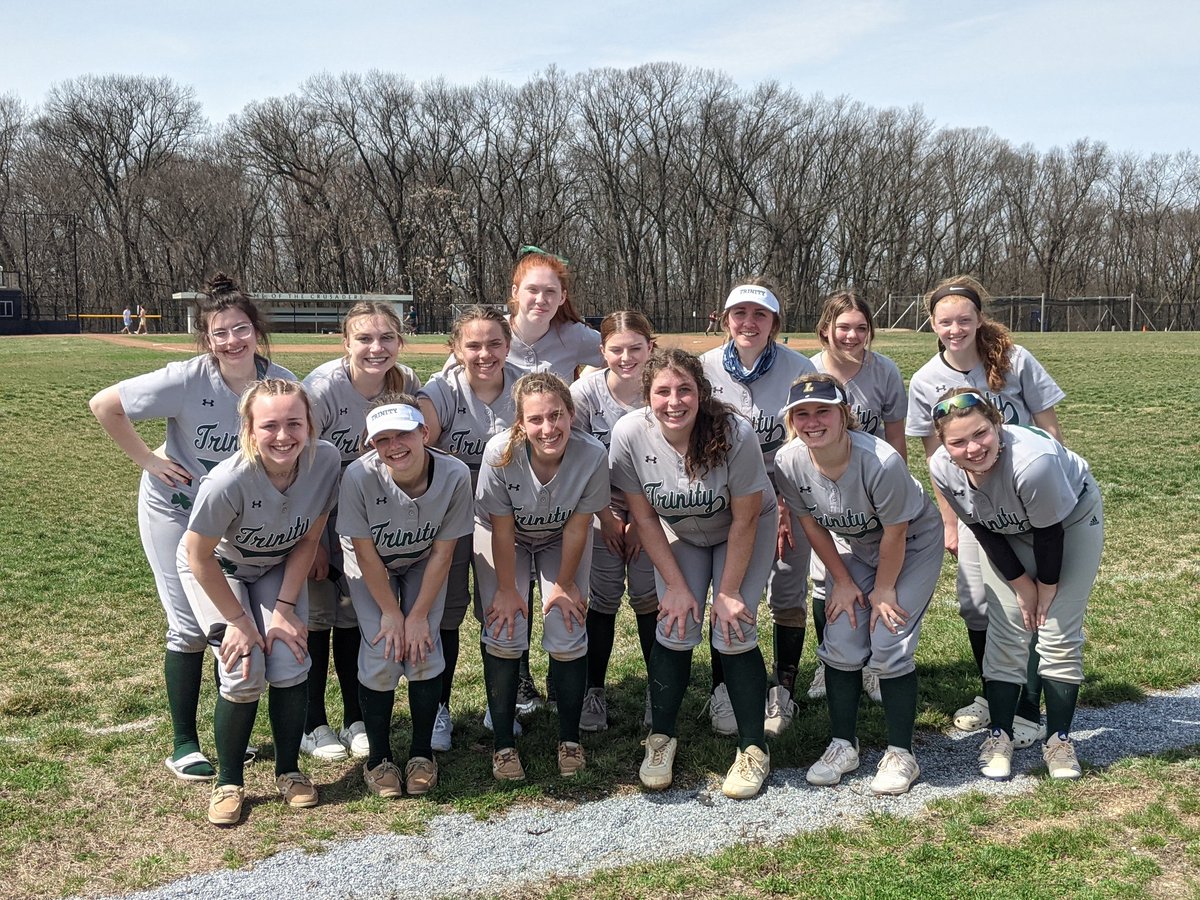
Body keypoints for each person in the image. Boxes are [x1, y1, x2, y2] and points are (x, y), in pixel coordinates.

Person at [90, 273, 293, 784]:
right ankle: (184, 743)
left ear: (256, 330)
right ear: (206, 339)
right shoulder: (186, 378)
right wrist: (149, 461)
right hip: (176, 511)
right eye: (219, 333)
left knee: (239, 623)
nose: (232, 341)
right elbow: (104, 405)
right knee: (187, 626)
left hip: (238, 522)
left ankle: (237, 737)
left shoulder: (279, 383)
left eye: (241, 329)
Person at [610, 349, 776, 799]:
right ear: (647, 397)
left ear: (701, 393)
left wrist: (727, 591)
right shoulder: (629, 434)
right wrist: (679, 588)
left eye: (684, 389)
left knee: (733, 626)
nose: (674, 401)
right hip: (681, 531)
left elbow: (744, 520)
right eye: (662, 391)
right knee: (675, 622)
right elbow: (642, 518)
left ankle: (753, 747)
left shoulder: (733, 430)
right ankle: (661, 738)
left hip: (744, 529)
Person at [907, 275, 1065, 746]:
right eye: (945, 321)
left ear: (979, 320)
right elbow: (936, 460)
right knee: (977, 604)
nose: (955, 329)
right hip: (977, 509)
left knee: (1029, 604)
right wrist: (951, 521)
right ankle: (996, 689)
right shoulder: (924, 381)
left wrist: (1047, 489)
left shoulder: (1014, 361)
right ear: (932, 324)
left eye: (964, 320)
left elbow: (1050, 431)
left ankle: (1027, 707)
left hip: (1027, 501)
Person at [177, 379, 341, 825]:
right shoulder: (228, 479)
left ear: (310, 425)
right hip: (219, 568)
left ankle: (288, 770)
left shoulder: (325, 461)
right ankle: (229, 780)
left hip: (276, 565)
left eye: (294, 423)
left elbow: (309, 539)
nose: (284, 436)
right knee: (243, 665)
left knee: (289, 657)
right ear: (249, 430)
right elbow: (197, 554)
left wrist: (284, 609)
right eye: (270, 425)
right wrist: (237, 620)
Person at [775, 375, 943, 795]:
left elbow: (896, 532)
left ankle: (902, 752)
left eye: (823, 411)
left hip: (912, 542)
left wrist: (883, 590)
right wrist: (844, 582)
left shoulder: (879, 460)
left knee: (889, 640)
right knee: (844, 640)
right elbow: (812, 525)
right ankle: (842, 744)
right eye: (802, 413)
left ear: (844, 414)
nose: (812, 422)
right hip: (856, 548)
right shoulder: (789, 461)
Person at [928, 389, 1103, 781]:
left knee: (1057, 631)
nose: (972, 448)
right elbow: (981, 529)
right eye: (957, 441)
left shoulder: (1032, 463)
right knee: (1007, 632)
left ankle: (1059, 742)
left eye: (981, 434)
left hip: (1068, 525)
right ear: (943, 444)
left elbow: (1049, 535)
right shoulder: (942, 466)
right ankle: (999, 735)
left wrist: (1045, 587)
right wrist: (1021, 586)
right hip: (1003, 530)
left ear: (998, 426)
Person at [479, 247, 604, 716]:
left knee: (558, 593)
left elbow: (619, 350)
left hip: (556, 471)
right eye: (532, 289)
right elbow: (460, 369)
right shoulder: (496, 336)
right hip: (499, 472)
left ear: (562, 297)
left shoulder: (572, 336)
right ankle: (519, 681)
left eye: (551, 291)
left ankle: (562, 679)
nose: (541, 299)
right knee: (501, 599)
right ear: (514, 293)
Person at [300, 302, 422, 761]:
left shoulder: (404, 382)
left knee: (352, 615)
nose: (376, 348)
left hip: (366, 520)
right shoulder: (321, 390)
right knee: (316, 617)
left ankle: (354, 716)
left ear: (400, 342)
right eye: (365, 339)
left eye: (386, 338)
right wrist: (310, 542)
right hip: (317, 515)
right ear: (345, 343)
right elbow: (300, 469)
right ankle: (314, 723)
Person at [474, 372, 610, 781]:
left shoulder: (590, 453)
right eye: (535, 420)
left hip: (560, 536)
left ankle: (569, 739)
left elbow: (578, 526)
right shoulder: (500, 452)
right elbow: (500, 526)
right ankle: (503, 744)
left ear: (571, 413)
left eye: (556, 415)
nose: (548, 428)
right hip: (506, 537)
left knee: (566, 627)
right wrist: (505, 589)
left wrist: (565, 586)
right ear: (520, 423)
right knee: (504, 627)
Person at [337, 399, 474, 797]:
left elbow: (444, 553)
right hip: (372, 565)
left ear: (424, 433)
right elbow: (364, 552)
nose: (395, 445)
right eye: (383, 439)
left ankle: (420, 753)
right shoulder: (359, 477)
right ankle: (378, 757)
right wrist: (392, 614)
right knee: (383, 647)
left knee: (423, 646)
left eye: (404, 434)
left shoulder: (453, 473)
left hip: (423, 560)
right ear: (372, 445)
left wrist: (416, 616)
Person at [700, 282, 815, 739]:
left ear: (775, 323)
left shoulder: (798, 368)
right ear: (726, 319)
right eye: (739, 313)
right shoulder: (706, 367)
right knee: (726, 591)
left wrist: (788, 504)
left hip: (787, 494)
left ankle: (784, 685)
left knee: (788, 589)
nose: (749, 323)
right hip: (725, 499)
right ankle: (723, 686)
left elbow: (806, 437)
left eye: (760, 315)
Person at [417, 305, 524, 749]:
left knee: (500, 609)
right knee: (445, 611)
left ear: (508, 344)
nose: (485, 353)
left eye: (495, 343)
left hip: (504, 516)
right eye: (473, 345)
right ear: (455, 348)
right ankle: (440, 708)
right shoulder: (441, 389)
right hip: (449, 517)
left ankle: (500, 704)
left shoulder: (522, 386)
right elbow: (422, 429)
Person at [807, 290, 908, 703]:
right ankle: (827, 661)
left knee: (878, 576)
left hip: (872, 490)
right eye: (843, 327)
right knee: (821, 579)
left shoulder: (883, 371)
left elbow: (896, 438)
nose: (852, 335)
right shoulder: (808, 369)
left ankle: (870, 664)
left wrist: (895, 492)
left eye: (861, 328)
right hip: (823, 488)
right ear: (825, 330)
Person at [570, 311, 658, 732]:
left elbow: (671, 464)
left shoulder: (662, 389)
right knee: (602, 598)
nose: (626, 358)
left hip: (654, 508)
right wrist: (606, 517)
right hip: (597, 505)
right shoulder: (585, 393)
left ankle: (656, 691)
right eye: (616, 350)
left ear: (651, 348)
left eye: (635, 348)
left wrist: (643, 521)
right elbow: (577, 462)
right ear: (601, 351)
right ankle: (593, 690)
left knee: (648, 596)